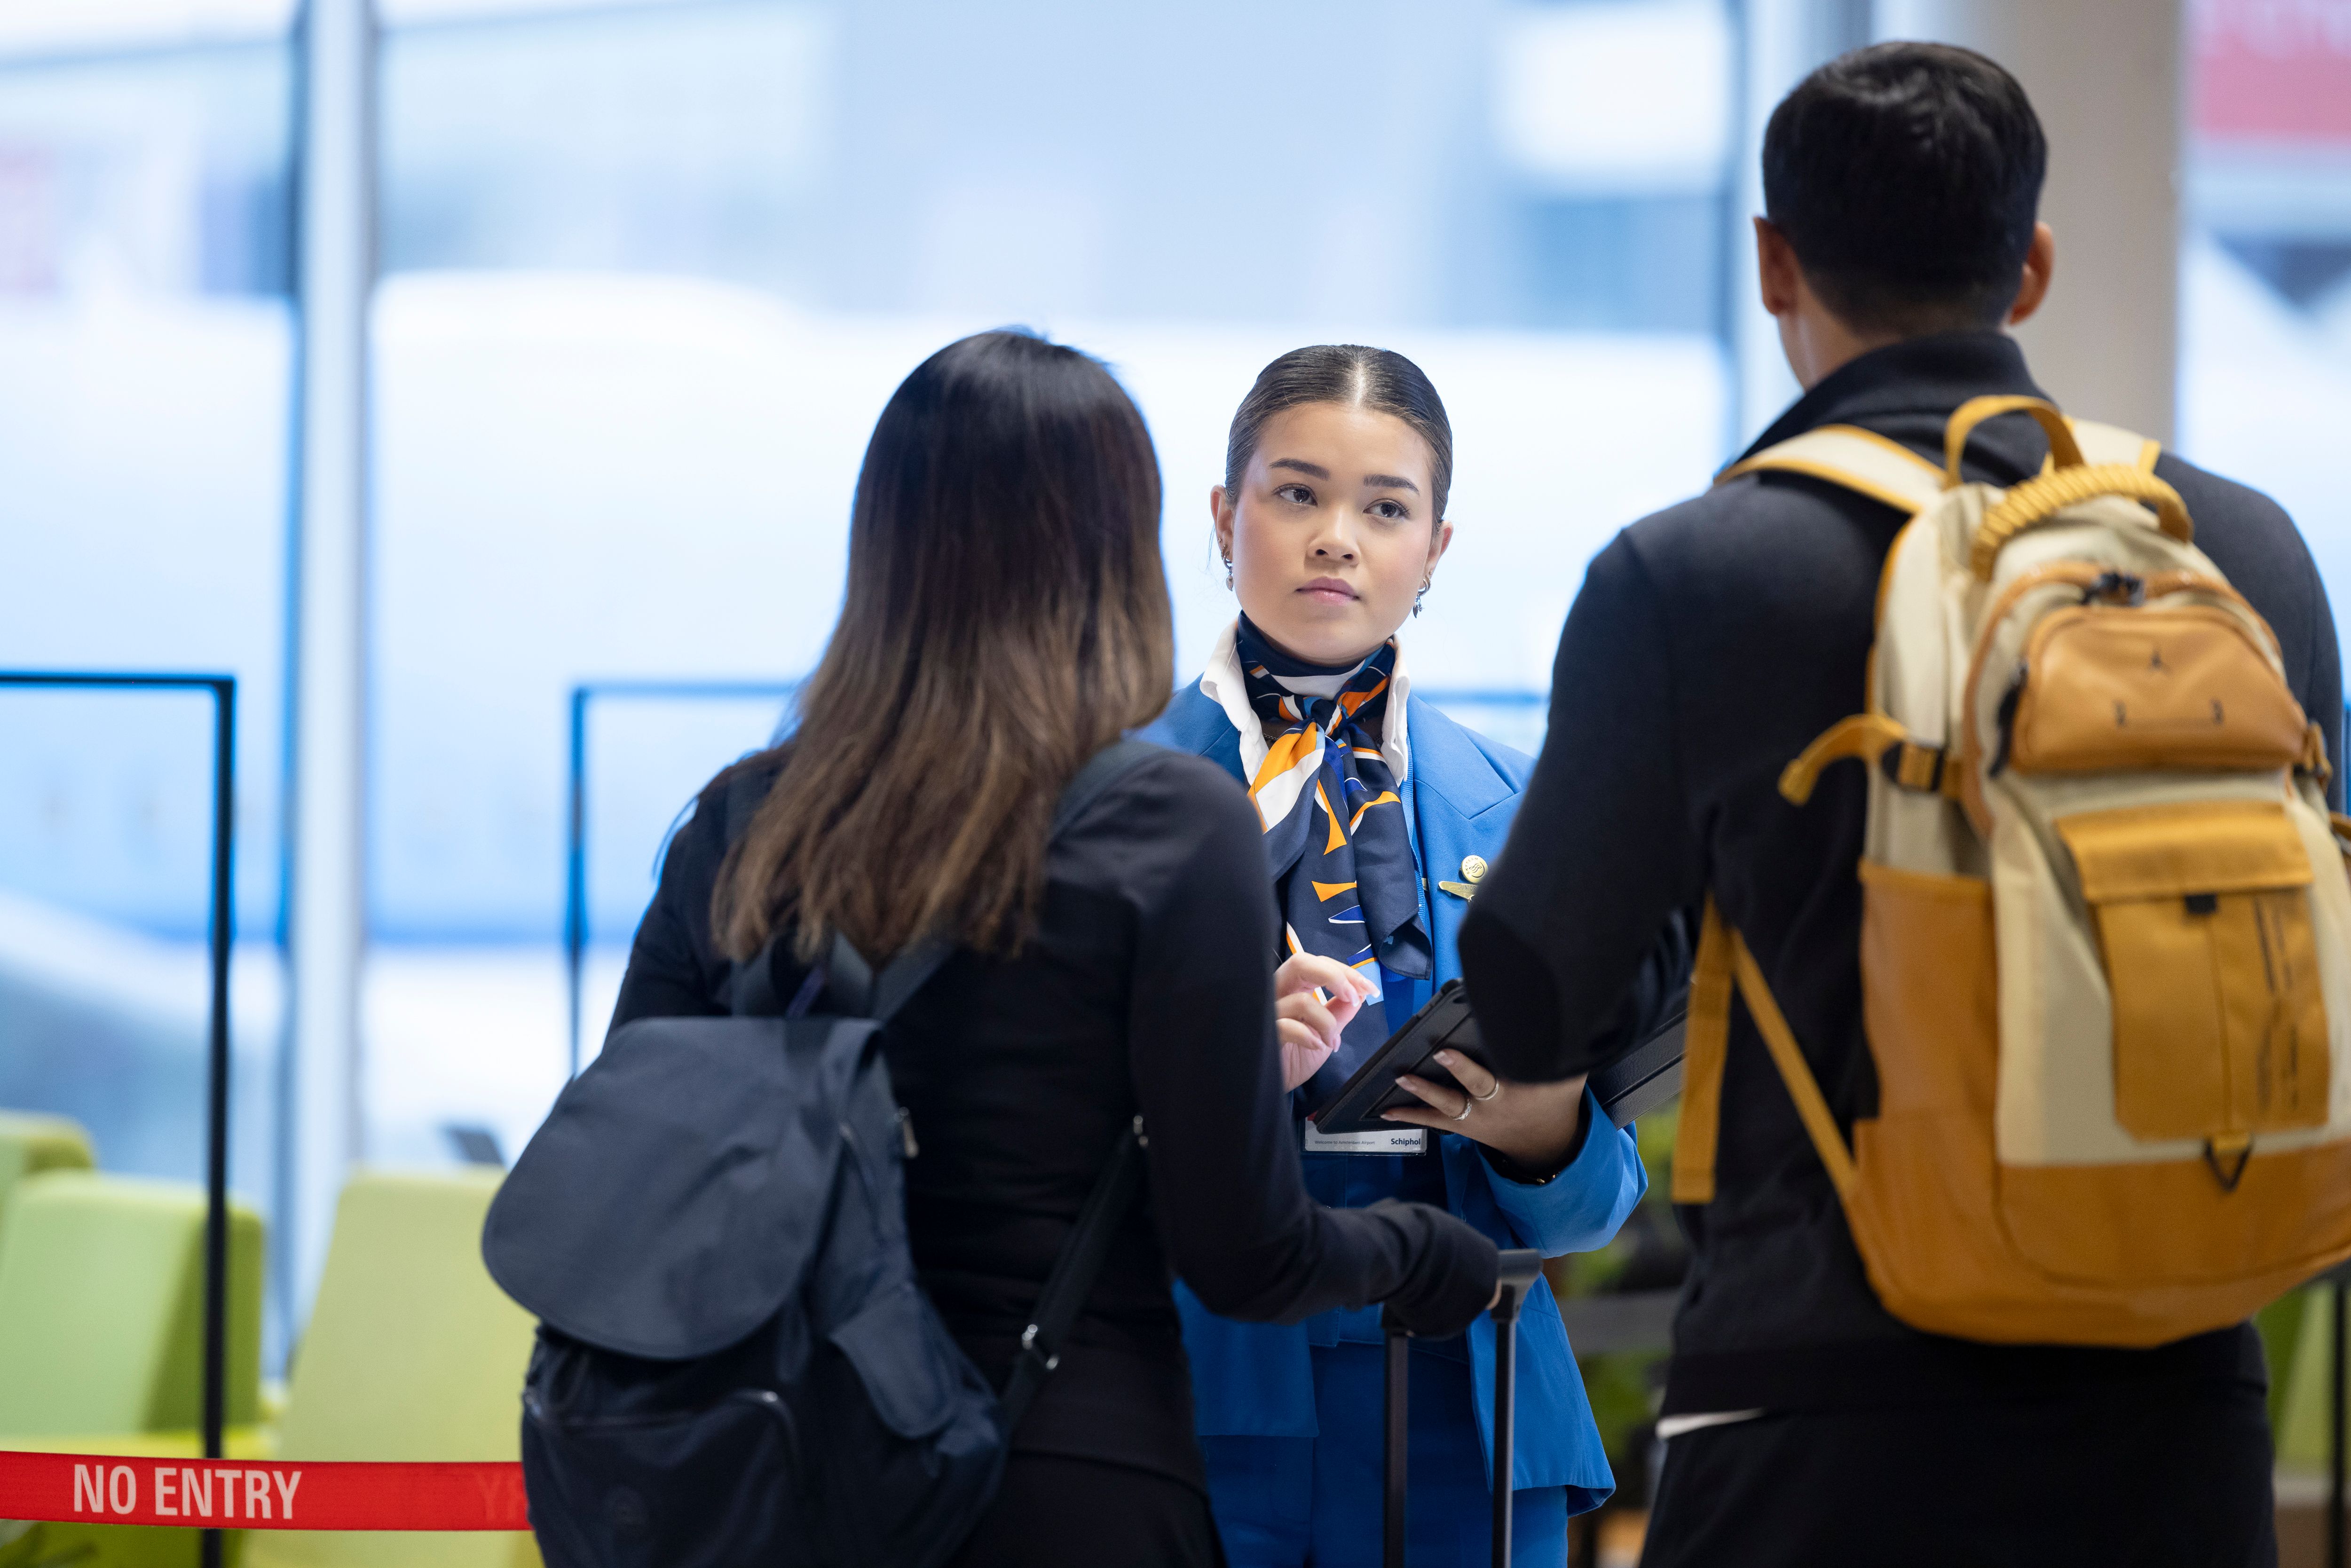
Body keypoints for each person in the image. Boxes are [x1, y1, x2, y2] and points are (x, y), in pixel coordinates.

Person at [1458, 42, 2342, 1568]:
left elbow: (1531, 1002)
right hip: (2185, 1411)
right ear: (2034, 267)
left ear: (1773, 264)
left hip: (1824, 1415)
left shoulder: (1697, 574)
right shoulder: (2236, 549)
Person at [606, 330, 1504, 1568]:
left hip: (775, 1474)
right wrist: (1423, 1250)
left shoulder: (742, 824)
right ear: (1120, 548)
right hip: (1064, 1473)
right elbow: (1248, 1255)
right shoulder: (1166, 826)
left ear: (887, 541)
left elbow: (637, 1164)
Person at [1142, 344, 1678, 1566]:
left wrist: (1546, 1130)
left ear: (1434, 550)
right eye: (1296, 494)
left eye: (1386, 508)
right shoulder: (1109, 797)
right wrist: (1207, 1068)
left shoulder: (1528, 807)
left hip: (1472, 1403)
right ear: (1225, 520)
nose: (1339, 537)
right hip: (1200, 1391)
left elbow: (1600, 1205)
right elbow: (1031, 1145)